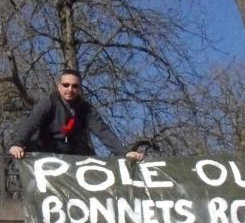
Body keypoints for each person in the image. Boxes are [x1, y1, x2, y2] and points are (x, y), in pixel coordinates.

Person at [8, 69, 144, 161]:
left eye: (74, 86)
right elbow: (31, 123)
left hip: (74, 155)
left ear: (79, 88)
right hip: (46, 152)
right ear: (58, 86)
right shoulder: (48, 103)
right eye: (65, 85)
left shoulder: (86, 109)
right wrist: (17, 144)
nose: (70, 89)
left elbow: (102, 131)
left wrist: (124, 153)